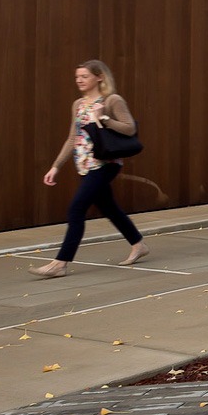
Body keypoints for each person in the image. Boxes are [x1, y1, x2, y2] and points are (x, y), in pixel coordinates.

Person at [33, 59, 147, 277]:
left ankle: (61, 263)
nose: (79, 80)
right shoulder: (78, 104)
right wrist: (55, 166)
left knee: (76, 208)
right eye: (77, 77)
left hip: (106, 164)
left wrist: (104, 118)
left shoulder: (112, 100)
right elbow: (72, 138)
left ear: (99, 77)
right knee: (109, 208)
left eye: (84, 76)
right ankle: (138, 244)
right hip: (84, 165)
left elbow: (130, 128)